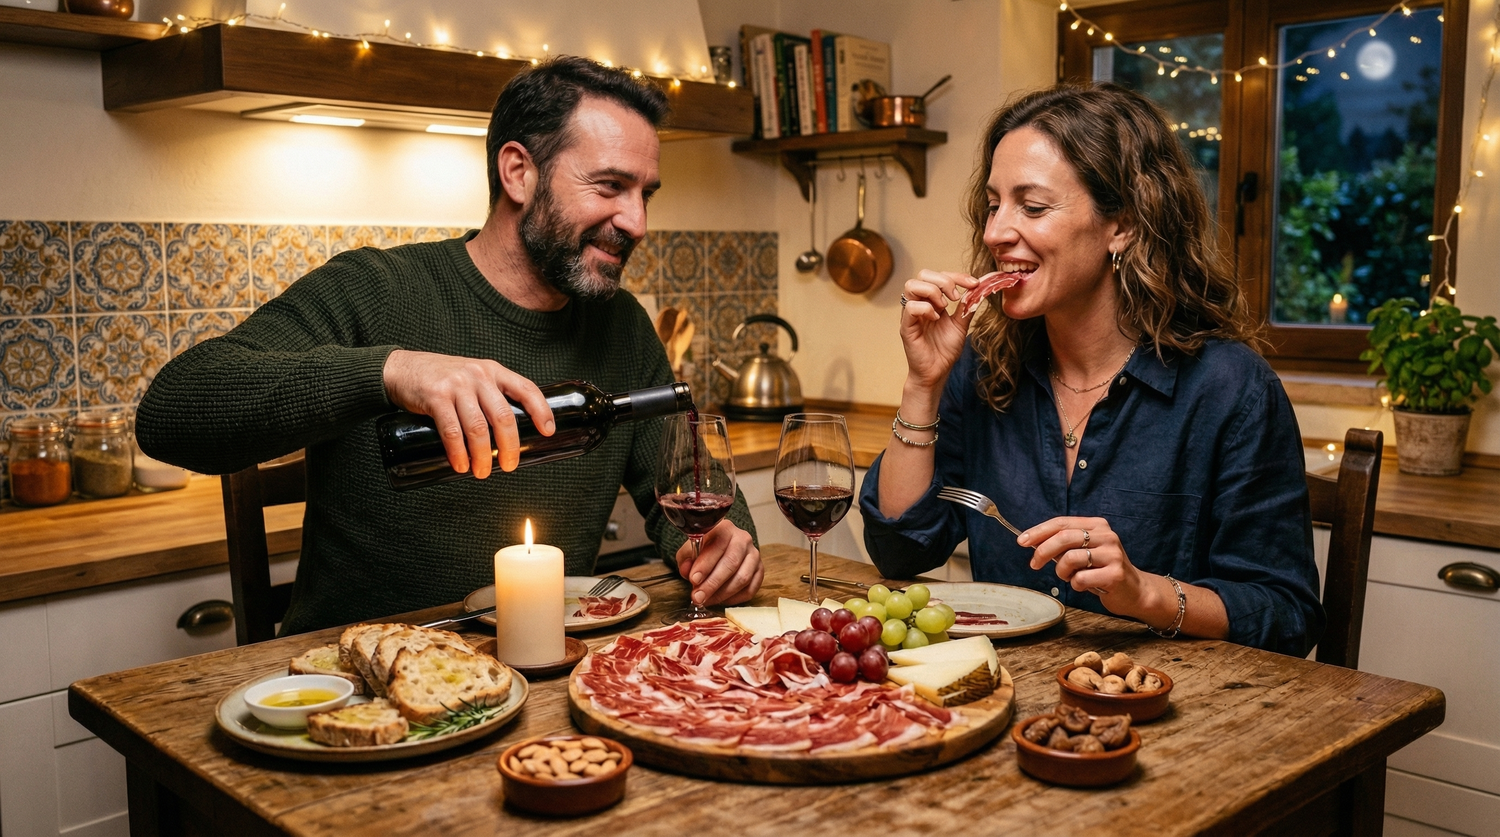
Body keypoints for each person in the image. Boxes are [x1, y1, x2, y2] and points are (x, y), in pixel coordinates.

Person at [137, 57, 762, 635]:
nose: (638, 222)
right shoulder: (374, 290)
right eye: (609, 187)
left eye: (645, 193)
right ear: (518, 172)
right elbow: (172, 414)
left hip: (545, 665)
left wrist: (724, 545)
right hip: (355, 682)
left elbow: (689, 484)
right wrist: (392, 372)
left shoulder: (621, 324)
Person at [859, 83, 1321, 656]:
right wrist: (922, 384)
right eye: (993, 204)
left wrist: (1144, 593)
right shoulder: (983, 367)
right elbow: (901, 551)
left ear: (1121, 224)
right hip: (1003, 698)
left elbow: (1287, 615)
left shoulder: (1231, 389)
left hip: (1174, 712)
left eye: (1031, 206)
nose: (995, 232)